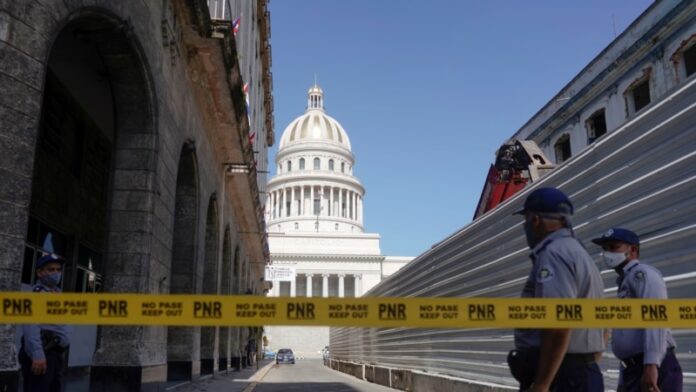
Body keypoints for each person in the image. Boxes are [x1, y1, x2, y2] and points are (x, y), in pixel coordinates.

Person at [508, 187, 605, 392]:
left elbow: (557, 324)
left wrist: (542, 385)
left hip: (561, 377)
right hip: (581, 372)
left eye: (526, 219)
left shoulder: (553, 254)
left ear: (535, 220)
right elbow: (604, 324)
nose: (526, 226)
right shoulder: (581, 254)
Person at [591, 228, 682, 392]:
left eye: (613, 247)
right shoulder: (626, 281)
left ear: (632, 250)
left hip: (653, 367)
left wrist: (651, 365)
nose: (607, 253)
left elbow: (656, 318)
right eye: (605, 248)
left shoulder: (643, 274)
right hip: (633, 369)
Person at [19, 253, 70, 392]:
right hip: (42, 353)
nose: (56, 273)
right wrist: (37, 355)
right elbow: (31, 326)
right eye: (51, 269)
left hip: (54, 354)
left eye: (58, 270)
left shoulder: (55, 294)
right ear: (40, 272)